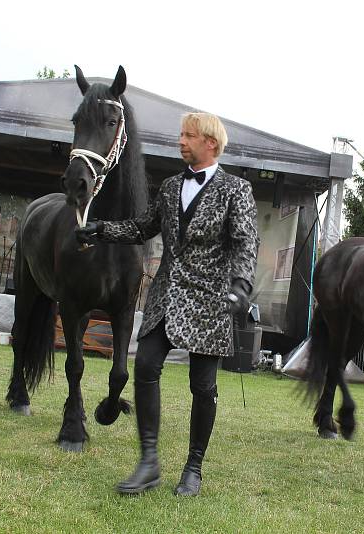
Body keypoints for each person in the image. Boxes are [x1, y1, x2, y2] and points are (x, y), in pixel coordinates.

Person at [76, 112, 259, 497]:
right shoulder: (171, 185)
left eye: (188, 136)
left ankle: (193, 468)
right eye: (181, 134)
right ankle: (148, 462)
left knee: (203, 386)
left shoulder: (236, 190)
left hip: (211, 301)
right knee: (144, 365)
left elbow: (245, 242)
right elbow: (143, 227)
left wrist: (241, 285)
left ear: (210, 143)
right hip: (166, 295)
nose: (180, 141)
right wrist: (103, 229)